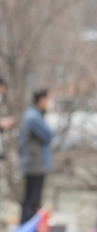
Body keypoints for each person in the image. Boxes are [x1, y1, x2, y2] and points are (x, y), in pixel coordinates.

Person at [18, 89, 54, 224]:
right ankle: (28, 227)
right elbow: (49, 135)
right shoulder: (33, 117)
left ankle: (28, 226)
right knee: (32, 199)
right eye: (48, 100)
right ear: (41, 100)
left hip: (34, 163)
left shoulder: (35, 115)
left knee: (32, 199)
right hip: (34, 164)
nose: (50, 103)